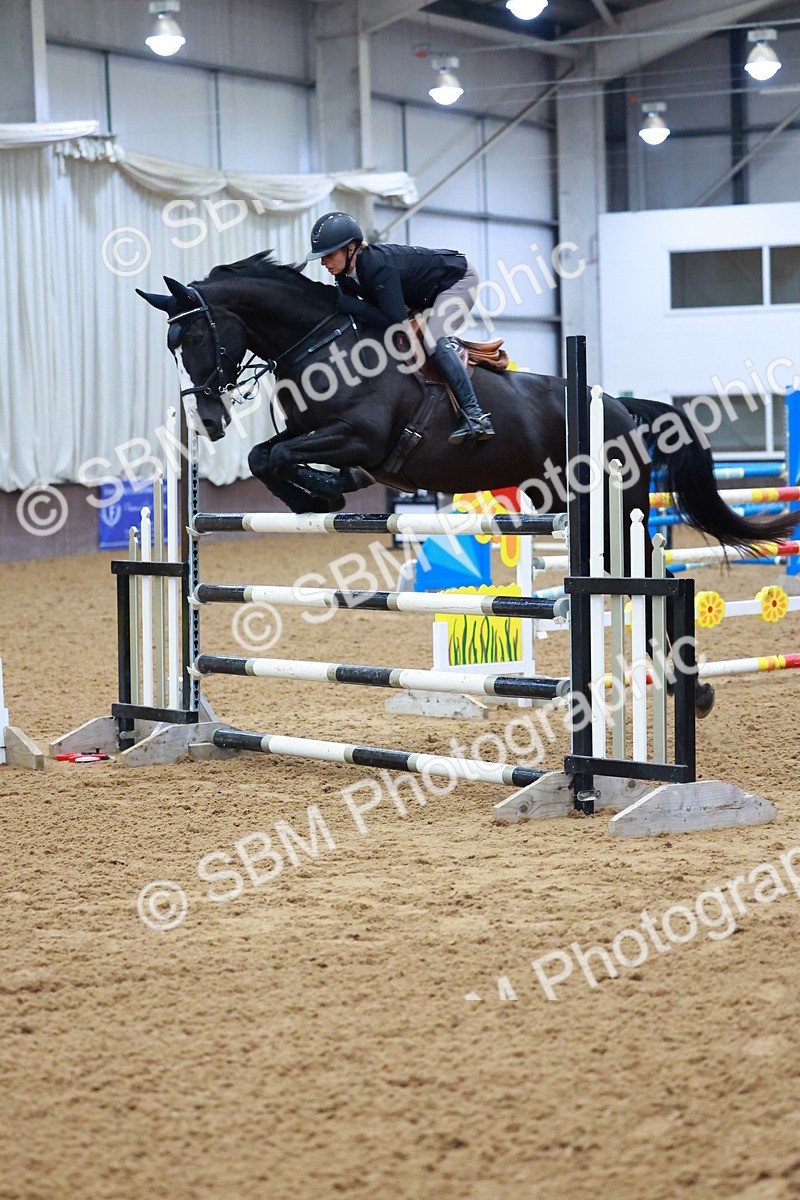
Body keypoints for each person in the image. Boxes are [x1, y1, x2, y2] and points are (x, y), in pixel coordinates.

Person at [307, 211, 494, 444]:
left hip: (457, 281)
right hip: (422, 296)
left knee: (432, 339)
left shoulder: (378, 266)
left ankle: (475, 416)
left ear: (350, 248)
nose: (324, 262)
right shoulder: (344, 277)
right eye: (322, 257)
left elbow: (396, 322)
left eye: (329, 255)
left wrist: (354, 305)